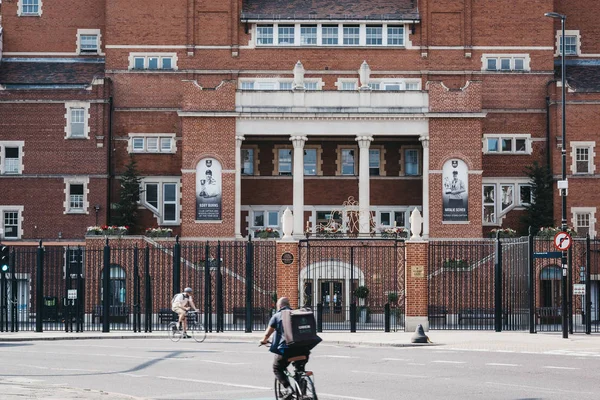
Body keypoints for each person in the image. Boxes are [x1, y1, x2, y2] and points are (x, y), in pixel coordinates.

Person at [260, 297, 309, 400]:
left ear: (280, 306)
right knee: (300, 369)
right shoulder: (297, 314)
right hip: (304, 349)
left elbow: (268, 333)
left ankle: (288, 388)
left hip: (287, 350)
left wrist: (263, 340)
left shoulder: (277, 316)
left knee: (277, 367)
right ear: (288, 305)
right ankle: (303, 393)